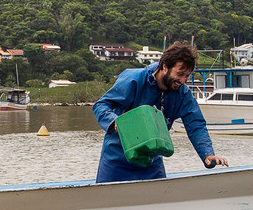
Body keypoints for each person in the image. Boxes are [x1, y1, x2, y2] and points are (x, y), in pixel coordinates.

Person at [93, 41, 229, 183]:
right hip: (116, 161)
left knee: (159, 197)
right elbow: (101, 105)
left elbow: (196, 125)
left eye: (187, 76)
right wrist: (115, 122)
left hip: (152, 164)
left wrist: (207, 154)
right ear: (164, 66)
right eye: (180, 74)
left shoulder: (183, 93)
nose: (183, 81)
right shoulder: (134, 80)